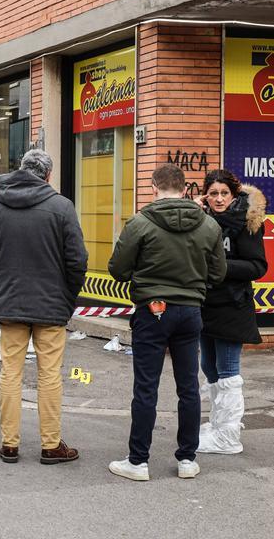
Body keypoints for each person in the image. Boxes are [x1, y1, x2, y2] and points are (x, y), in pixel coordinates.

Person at [107, 164, 226, 482]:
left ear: (152, 187)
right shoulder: (208, 225)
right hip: (190, 311)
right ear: (186, 189)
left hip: (152, 310)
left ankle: (138, 462)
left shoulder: (140, 223)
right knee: (188, 387)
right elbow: (217, 274)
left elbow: (117, 269)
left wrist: (145, 276)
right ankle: (187, 458)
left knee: (146, 388)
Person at [0, 148, 88, 465]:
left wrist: (2, 283)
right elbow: (77, 261)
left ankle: (9, 444)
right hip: (51, 306)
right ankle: (51, 445)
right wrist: (67, 297)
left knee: (10, 372)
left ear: (20, 169)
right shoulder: (61, 206)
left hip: (11, 303)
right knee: (49, 375)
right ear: (48, 175)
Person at [195, 170, 267, 455]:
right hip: (205, 305)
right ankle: (217, 425)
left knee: (228, 373)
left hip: (232, 306)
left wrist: (222, 267)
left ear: (234, 195)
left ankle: (228, 437)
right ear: (205, 196)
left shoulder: (246, 223)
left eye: (224, 193)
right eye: (213, 193)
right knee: (209, 369)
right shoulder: (203, 221)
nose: (219, 199)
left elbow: (258, 266)